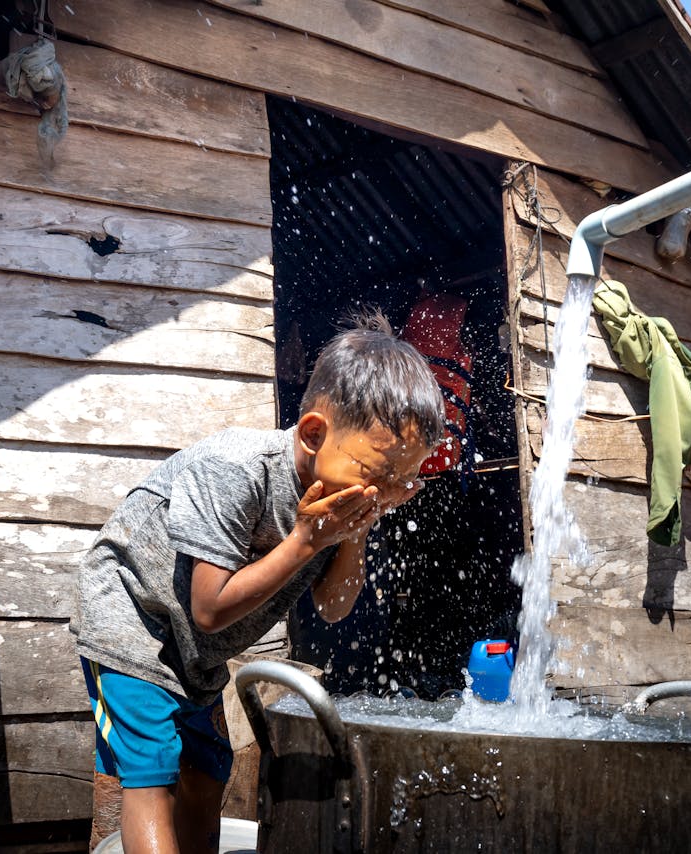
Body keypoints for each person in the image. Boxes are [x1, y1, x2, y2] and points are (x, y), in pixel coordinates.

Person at [71, 310, 445, 853]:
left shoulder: (343, 503)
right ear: (315, 433)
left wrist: (356, 533)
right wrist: (305, 541)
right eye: (378, 476)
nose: (385, 496)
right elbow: (210, 608)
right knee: (151, 769)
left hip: (193, 653)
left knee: (208, 771)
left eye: (403, 482)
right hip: (133, 618)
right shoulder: (235, 469)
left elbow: (335, 607)